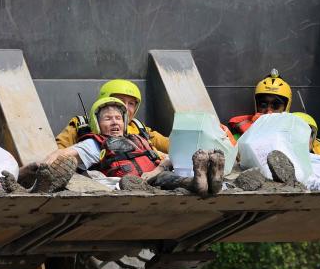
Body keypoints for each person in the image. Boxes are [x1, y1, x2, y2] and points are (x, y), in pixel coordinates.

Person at [21, 96, 222, 195]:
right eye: (108, 118)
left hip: (154, 176)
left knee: (169, 174)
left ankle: (205, 177)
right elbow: (66, 153)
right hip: (128, 183)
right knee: (162, 180)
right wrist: (42, 166)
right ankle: (198, 183)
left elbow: (165, 157)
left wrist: (156, 169)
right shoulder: (94, 143)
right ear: (97, 123)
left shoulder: (139, 139)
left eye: (118, 118)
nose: (115, 122)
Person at [55, 79, 171, 153]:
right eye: (120, 100)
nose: (125, 107)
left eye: (131, 103)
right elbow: (58, 151)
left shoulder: (139, 128)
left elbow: (171, 146)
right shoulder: (81, 125)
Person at [224, 70, 292, 139]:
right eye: (263, 105)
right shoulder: (239, 138)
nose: (269, 111)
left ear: (286, 107)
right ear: (257, 106)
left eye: (276, 105)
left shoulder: (297, 131)